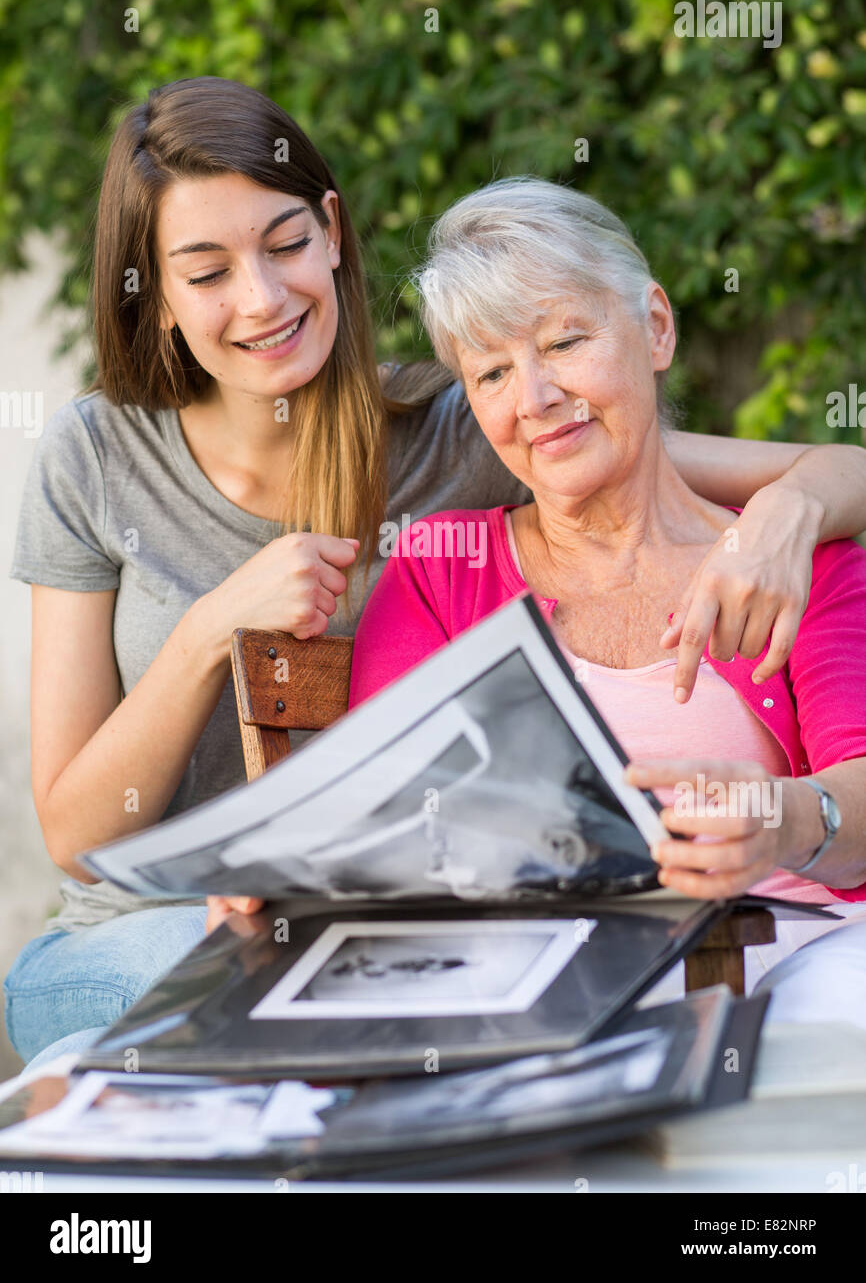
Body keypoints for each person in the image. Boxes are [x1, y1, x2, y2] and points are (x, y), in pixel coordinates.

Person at [5, 80, 866, 1072]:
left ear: (331, 231)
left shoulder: (464, 427)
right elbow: (77, 832)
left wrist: (789, 514)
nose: (262, 297)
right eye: (205, 272)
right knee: (217, 996)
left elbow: (686, 465)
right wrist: (210, 632)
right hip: (142, 922)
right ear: (154, 298)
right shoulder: (95, 453)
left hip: (339, 924)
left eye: (284, 245)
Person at [346, 177, 866, 1020]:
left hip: (784, 970)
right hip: (536, 982)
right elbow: (375, 808)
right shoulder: (440, 569)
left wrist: (779, 819)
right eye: (491, 373)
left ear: (655, 328)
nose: (535, 398)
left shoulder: (790, 558)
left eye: (564, 341)